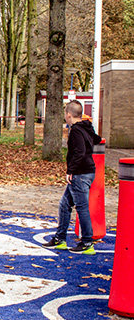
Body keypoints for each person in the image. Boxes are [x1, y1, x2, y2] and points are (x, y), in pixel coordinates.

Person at [43, 100, 101, 255]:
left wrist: (71, 170)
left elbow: (80, 152)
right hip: (86, 172)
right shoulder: (85, 127)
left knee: (81, 207)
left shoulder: (75, 130)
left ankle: (87, 241)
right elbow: (97, 139)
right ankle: (60, 238)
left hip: (80, 174)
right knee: (65, 204)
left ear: (68, 115)